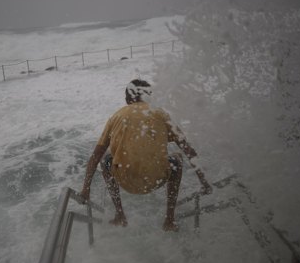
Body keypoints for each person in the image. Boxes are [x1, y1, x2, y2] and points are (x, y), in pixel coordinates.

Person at [80, 79, 211, 232]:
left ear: (127, 98)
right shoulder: (161, 114)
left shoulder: (116, 116)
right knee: (177, 158)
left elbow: (95, 157)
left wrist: (85, 189)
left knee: (105, 159)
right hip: (156, 178)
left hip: (126, 179)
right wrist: (204, 181)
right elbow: (188, 150)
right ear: (149, 96)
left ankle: (120, 215)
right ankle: (169, 220)